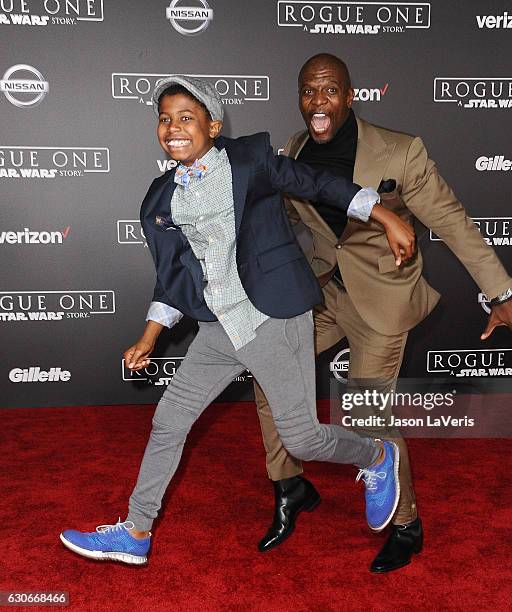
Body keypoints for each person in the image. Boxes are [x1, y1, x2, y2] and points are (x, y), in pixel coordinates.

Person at [59, 76, 417, 565]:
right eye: (165, 118)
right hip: (218, 328)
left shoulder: (249, 162)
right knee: (168, 421)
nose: (174, 127)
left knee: (302, 439)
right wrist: (149, 337)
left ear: (213, 124)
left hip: (271, 317)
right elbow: (171, 279)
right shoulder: (160, 199)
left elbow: (316, 183)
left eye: (187, 117)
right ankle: (136, 532)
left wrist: (384, 214)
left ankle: (377, 457)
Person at [254, 54, 512, 573]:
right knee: (270, 375)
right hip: (325, 294)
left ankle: (407, 525)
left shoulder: (400, 150)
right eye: (308, 92)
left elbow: (454, 222)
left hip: (382, 304)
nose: (317, 102)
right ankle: (291, 486)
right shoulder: (295, 150)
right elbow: (289, 219)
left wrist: (502, 293)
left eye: (329, 91)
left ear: (351, 96)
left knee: (368, 414)